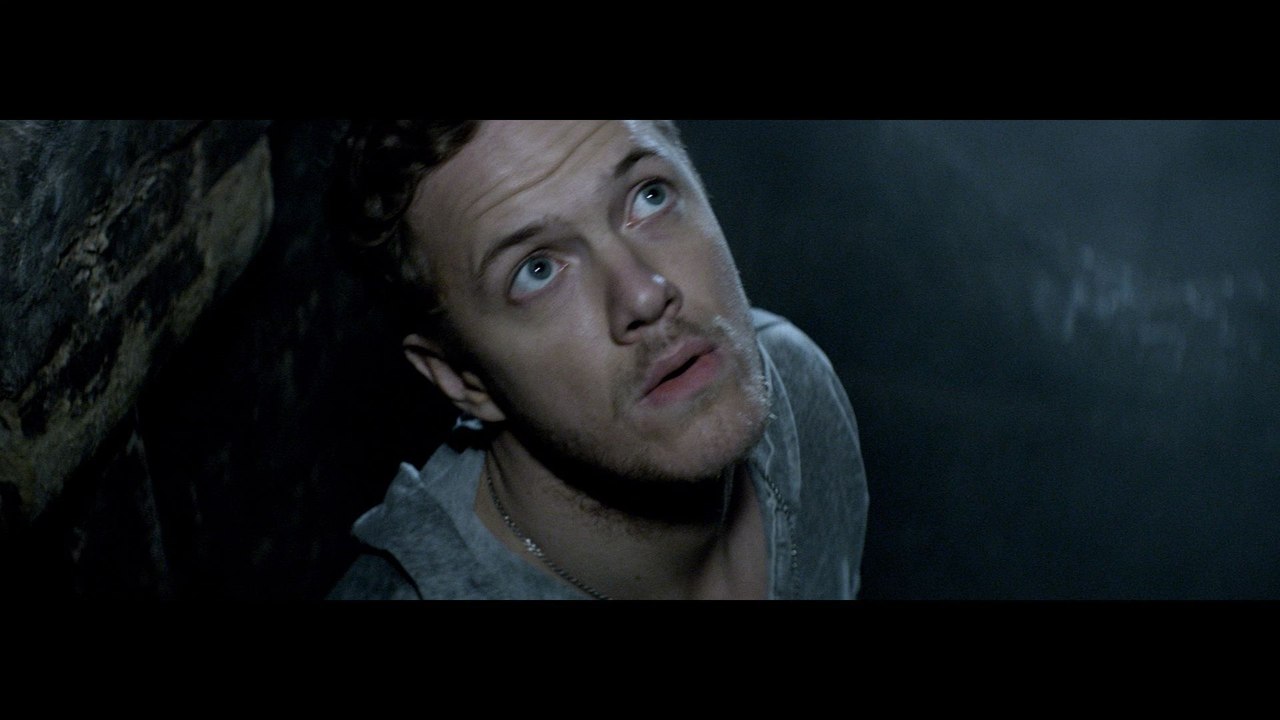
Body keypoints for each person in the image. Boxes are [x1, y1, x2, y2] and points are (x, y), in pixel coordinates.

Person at [327, 120, 868, 600]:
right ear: (459, 378)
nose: (645, 295)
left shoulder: (794, 385)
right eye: (536, 271)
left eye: (649, 196)